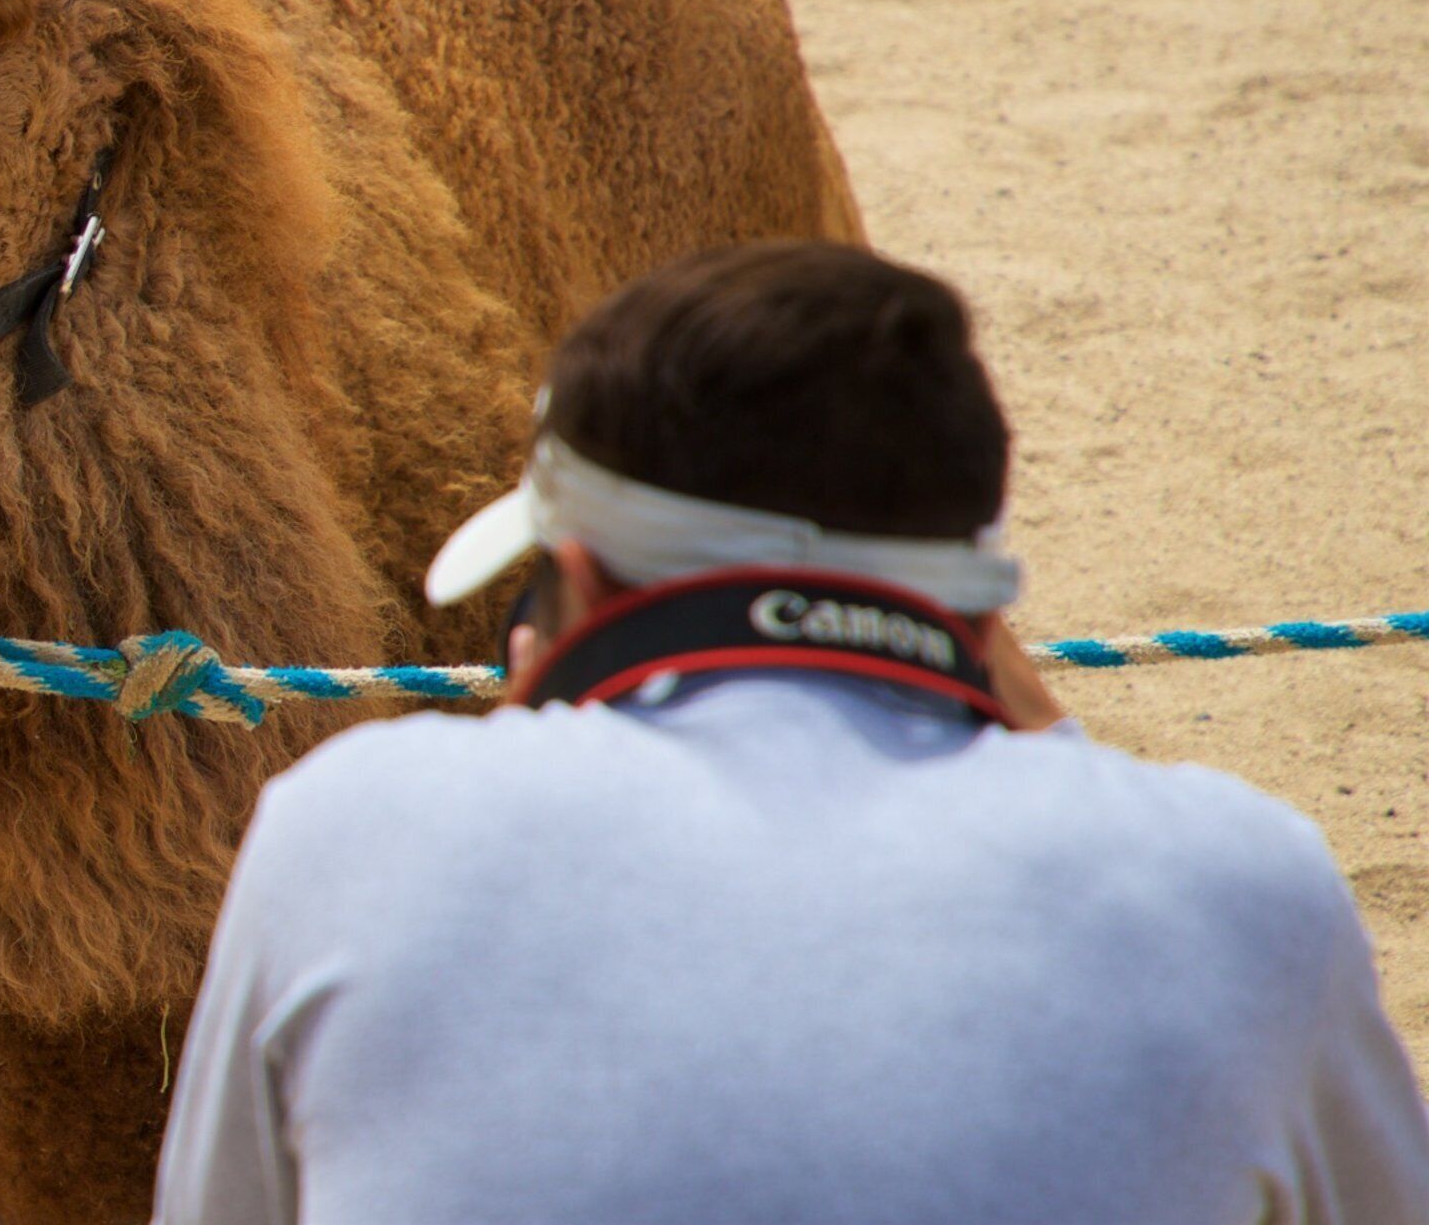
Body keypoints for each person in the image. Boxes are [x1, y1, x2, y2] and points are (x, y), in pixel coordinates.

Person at [153, 239, 1429, 1225]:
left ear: (577, 577)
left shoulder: (350, 824)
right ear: (980, 607)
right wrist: (1056, 748)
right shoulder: (1244, 885)